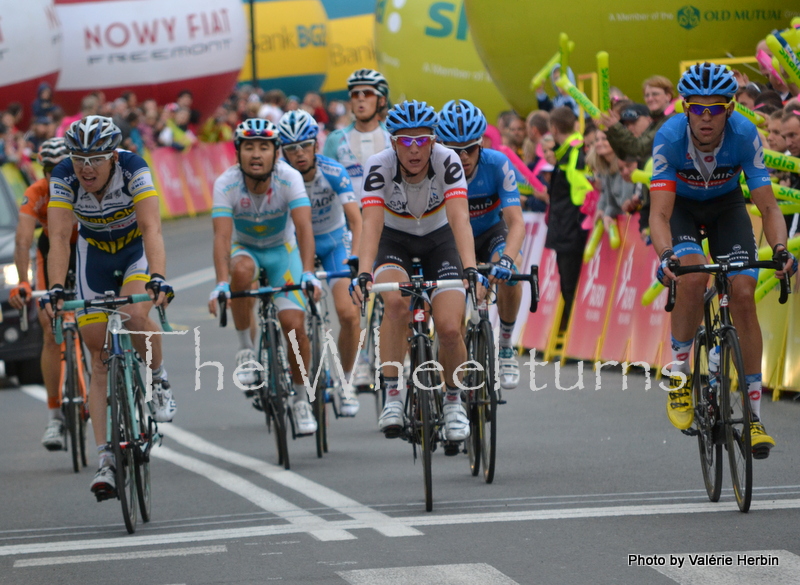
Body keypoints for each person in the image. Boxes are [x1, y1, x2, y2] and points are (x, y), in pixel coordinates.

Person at [650, 62, 796, 459]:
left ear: (730, 109)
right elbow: (659, 214)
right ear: (685, 109)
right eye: (698, 108)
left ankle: (753, 417)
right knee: (693, 279)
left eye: (716, 107)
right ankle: (679, 373)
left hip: (727, 207)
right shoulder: (668, 137)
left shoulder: (745, 135)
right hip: (681, 211)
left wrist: (781, 249)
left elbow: (768, 207)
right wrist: (667, 257)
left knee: (744, 292)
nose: (707, 117)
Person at [42, 116, 177, 498]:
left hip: (134, 252)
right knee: (96, 351)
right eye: (79, 157)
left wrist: (158, 277)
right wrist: (54, 288)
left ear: (113, 157)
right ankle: (105, 460)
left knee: (135, 316)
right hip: (94, 255)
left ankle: (158, 378)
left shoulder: (134, 168)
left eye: (96, 158)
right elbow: (58, 237)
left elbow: (152, 228)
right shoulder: (65, 176)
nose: (86, 167)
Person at [350, 100, 486, 444]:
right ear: (393, 142)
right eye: (405, 141)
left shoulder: (448, 160)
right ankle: (393, 395)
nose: (414, 149)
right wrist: (365, 273)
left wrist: (469, 267)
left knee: (451, 328)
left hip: (440, 241)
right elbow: (371, 223)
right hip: (394, 241)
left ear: (433, 140)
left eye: (422, 140)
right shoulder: (378, 166)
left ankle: (454, 401)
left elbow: (459, 217)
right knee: (395, 304)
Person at [207, 118, 320, 436]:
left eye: (264, 147)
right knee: (240, 271)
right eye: (249, 147)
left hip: (282, 252)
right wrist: (220, 283)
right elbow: (221, 237)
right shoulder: (226, 183)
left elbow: (304, 228)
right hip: (245, 250)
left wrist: (309, 273)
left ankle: (300, 399)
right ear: (238, 152)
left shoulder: (289, 178)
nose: (256, 154)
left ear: (275, 153)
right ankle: (246, 348)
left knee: (294, 326)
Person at [277, 110, 363, 416]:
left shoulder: (333, 170)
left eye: (305, 146)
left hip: (333, 242)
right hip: (296, 245)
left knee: (348, 314)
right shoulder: (280, 177)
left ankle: (345, 381)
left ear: (317, 143)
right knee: (293, 317)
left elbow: (356, 219)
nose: (299, 154)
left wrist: (357, 258)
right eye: (290, 149)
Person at [435, 99, 525, 389]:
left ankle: (507, 343)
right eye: (453, 150)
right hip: (450, 240)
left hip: (490, 234)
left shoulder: (497, 164)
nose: (462, 157)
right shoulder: (433, 170)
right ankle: (452, 388)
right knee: (453, 322)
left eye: (470, 149)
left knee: (512, 274)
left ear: (481, 144)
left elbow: (517, 222)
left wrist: (507, 261)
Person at [9, 139, 78, 451]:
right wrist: (23, 283)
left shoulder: (86, 187)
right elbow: (23, 241)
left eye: (62, 168)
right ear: (42, 170)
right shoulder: (36, 193)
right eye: (49, 170)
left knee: (99, 317)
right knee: (49, 328)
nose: (56, 175)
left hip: (86, 250)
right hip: (51, 253)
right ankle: (54, 417)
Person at [545, 106, 593, 332]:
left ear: (553, 128)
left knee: (571, 284)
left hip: (571, 229)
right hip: (568, 227)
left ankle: (577, 334)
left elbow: (583, 192)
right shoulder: (568, 151)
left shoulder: (573, 153)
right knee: (569, 284)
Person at [323, 69, 391, 203]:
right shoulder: (335, 139)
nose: (360, 98)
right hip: (350, 217)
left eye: (368, 93)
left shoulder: (393, 137)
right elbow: (326, 186)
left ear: (382, 101)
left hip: (388, 217)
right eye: (355, 94)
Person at [599, 75, 674, 161]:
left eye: (655, 94)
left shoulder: (672, 120)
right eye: (646, 95)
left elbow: (639, 148)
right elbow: (627, 156)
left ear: (668, 96)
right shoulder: (657, 120)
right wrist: (609, 131)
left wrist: (615, 126)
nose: (650, 98)